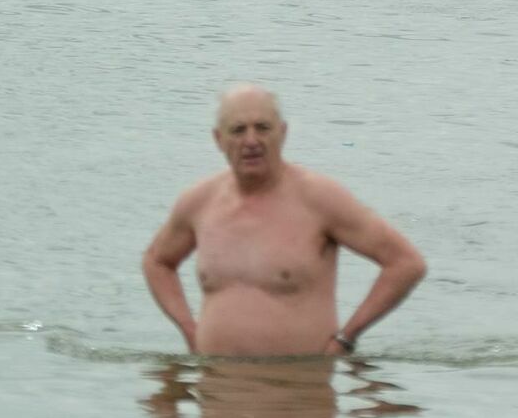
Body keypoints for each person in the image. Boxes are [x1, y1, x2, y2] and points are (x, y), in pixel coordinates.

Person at [142, 84, 426, 358]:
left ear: (283, 132)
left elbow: (405, 263)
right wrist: (189, 331)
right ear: (218, 139)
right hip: (217, 392)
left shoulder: (320, 199)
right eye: (238, 130)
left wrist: (346, 338)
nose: (251, 141)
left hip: (300, 391)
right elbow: (157, 262)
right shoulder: (199, 202)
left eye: (262, 127)